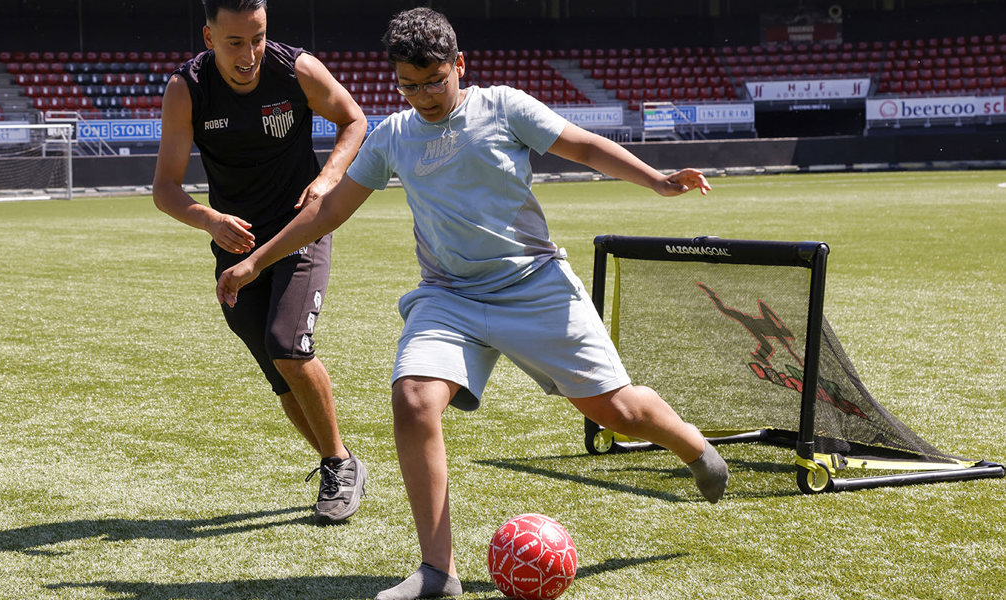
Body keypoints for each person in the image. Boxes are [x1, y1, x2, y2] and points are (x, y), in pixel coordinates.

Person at [216, 7, 728, 598]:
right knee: (412, 398)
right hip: (448, 296)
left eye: (435, 81)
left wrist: (658, 180)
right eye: (409, 85)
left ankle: (691, 444)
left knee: (615, 413)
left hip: (534, 285)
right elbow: (328, 212)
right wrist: (256, 261)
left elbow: (583, 147)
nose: (424, 96)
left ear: (459, 65)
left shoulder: (503, 106)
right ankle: (438, 572)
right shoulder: (392, 137)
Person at [152, 0, 368, 524]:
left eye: (258, 38)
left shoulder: (297, 69)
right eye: (235, 42)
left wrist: (328, 177)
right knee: (280, 374)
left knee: (287, 345)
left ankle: (340, 464)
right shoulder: (187, 89)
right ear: (208, 36)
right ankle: (337, 461)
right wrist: (209, 220)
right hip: (234, 246)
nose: (250, 55)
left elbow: (354, 121)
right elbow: (165, 188)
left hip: (301, 230)